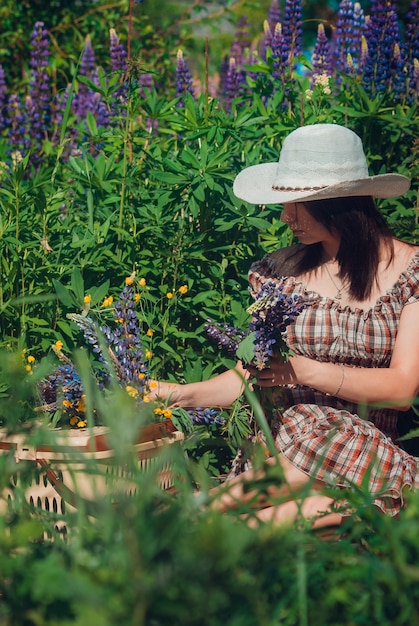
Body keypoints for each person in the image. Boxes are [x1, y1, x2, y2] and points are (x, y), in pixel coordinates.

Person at [154, 123, 419, 530]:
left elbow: (402, 390)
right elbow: (251, 374)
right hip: (284, 452)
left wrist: (306, 371)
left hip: (367, 453)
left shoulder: (410, 272)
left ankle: (197, 513)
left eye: (297, 203)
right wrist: (176, 394)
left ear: (338, 205)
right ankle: (218, 528)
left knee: (331, 435)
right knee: (317, 494)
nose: (285, 216)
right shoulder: (278, 274)